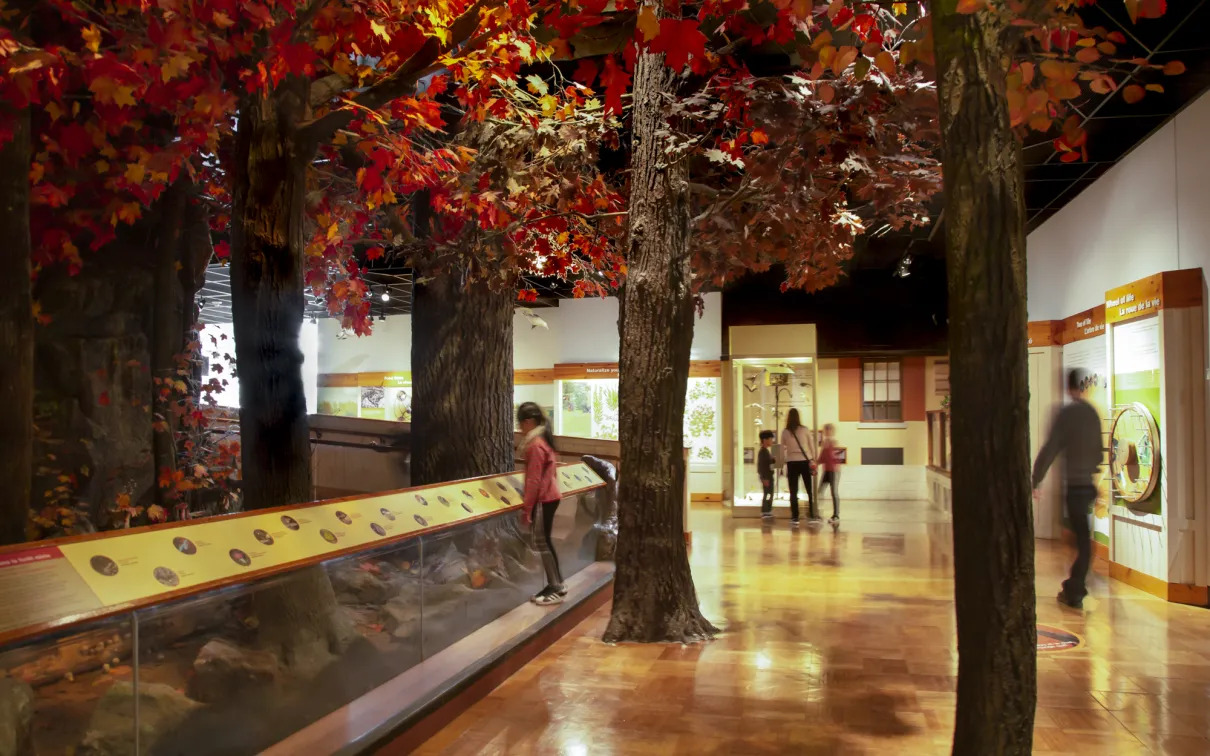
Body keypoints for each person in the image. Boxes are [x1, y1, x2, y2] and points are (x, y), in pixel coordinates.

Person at [1032, 368, 1104, 610]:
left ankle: (1074, 587)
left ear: (1067, 387)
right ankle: (1076, 582)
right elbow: (1098, 452)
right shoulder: (1092, 414)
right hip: (1087, 486)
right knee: (1081, 535)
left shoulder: (1066, 414)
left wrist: (1036, 479)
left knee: (1080, 537)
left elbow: (1050, 448)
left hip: (1073, 486)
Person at [517, 402, 566, 606]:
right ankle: (555, 583)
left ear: (529, 422)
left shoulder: (536, 444)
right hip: (549, 496)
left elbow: (534, 480)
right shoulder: (543, 440)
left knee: (542, 542)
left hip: (544, 498)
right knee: (544, 541)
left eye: (521, 423)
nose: (520, 428)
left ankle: (556, 585)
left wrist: (527, 509)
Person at [780, 408, 818, 526]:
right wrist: (813, 460)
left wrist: (781, 465)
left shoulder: (785, 432)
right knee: (809, 490)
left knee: (793, 491)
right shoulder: (805, 430)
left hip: (792, 463)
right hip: (804, 461)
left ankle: (795, 517)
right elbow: (812, 446)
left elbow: (782, 449)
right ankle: (811, 514)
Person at [818, 424, 841, 526]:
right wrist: (815, 463)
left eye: (828, 430)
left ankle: (836, 515)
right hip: (826, 471)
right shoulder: (825, 443)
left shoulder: (833, 443)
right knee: (820, 491)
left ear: (832, 431)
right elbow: (822, 458)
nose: (826, 432)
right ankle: (818, 513)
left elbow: (836, 457)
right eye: (825, 430)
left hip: (834, 471)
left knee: (834, 493)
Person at [757, 430, 776, 520]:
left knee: (769, 493)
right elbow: (761, 467)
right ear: (765, 440)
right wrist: (764, 478)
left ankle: (767, 511)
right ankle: (766, 511)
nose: (772, 441)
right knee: (767, 494)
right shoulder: (763, 452)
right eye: (770, 439)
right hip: (767, 477)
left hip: (768, 477)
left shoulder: (766, 452)